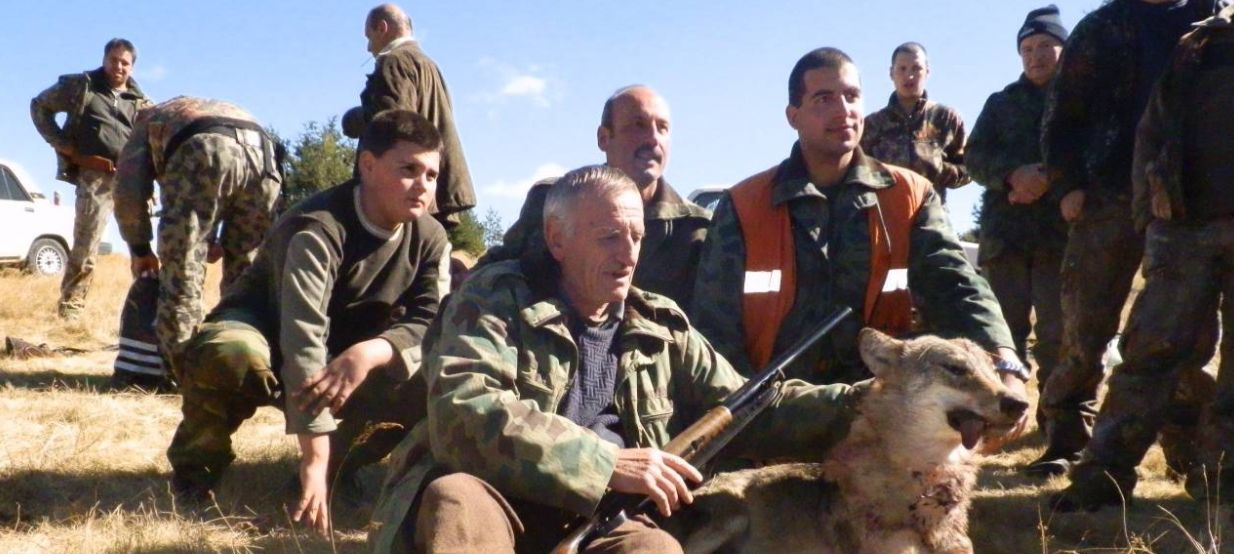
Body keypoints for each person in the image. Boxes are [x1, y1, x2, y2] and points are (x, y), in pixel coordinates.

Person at [370, 166, 857, 554]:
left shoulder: (661, 323)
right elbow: (463, 410)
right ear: (556, 237)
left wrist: (878, 399)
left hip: (601, 523)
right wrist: (606, 463)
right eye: (607, 236)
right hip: (496, 503)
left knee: (650, 551)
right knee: (453, 495)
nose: (629, 252)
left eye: (636, 235)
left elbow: (756, 406)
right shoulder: (494, 297)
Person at [690, 47, 1026, 422]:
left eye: (852, 97)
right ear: (793, 116)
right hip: (771, 410)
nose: (843, 110)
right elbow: (713, 328)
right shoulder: (745, 205)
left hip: (882, 406)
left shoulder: (909, 196)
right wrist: (740, 408)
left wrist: (1004, 360)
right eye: (823, 99)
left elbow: (956, 284)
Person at [167, 110, 448, 535]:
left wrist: (372, 352)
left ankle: (336, 469)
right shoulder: (318, 228)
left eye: (431, 174)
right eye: (408, 169)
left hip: (344, 353)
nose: (422, 185)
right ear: (367, 166)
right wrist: (311, 454)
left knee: (433, 374)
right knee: (230, 353)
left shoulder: (430, 238)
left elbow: (432, 320)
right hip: (269, 333)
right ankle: (196, 469)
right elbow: (302, 338)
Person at [1029, 0, 1228, 476]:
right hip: (1107, 196)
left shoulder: (1213, 23)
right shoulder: (1102, 27)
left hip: (1185, 208)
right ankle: (1066, 442)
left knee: (1188, 340)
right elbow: (1062, 115)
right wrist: (1068, 184)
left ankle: (1184, 450)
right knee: (1085, 330)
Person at [477, 85, 711, 309]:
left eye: (662, 128)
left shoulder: (697, 229)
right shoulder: (555, 202)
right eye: (638, 125)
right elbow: (499, 273)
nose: (652, 139)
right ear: (603, 138)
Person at [111, 96, 283, 389]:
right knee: (250, 280)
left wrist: (139, 248)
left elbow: (127, 187)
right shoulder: (205, 107)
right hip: (264, 155)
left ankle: (187, 377)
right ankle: (250, 369)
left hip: (204, 148)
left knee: (182, 279)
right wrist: (214, 236)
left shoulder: (147, 119)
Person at [966, 6, 1070, 425]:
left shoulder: (1081, 101)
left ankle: (1056, 419)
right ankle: (1000, 417)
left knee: (1057, 335)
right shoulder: (1000, 103)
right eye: (1027, 48)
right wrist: (1012, 175)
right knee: (1001, 334)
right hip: (1004, 239)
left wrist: (1048, 176)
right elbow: (972, 157)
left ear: (1065, 49)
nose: (1036, 55)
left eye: (1046, 45)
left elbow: (1098, 153)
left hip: (1059, 237)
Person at [30, 38, 149, 320]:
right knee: (86, 246)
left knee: (141, 245)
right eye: (114, 60)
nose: (118, 67)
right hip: (95, 176)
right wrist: (61, 144)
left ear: (132, 67)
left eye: (125, 63)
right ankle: (71, 309)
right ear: (104, 58)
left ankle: (144, 312)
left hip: (132, 180)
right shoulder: (81, 86)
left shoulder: (143, 102)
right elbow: (39, 106)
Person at [341, 3, 475, 227]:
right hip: (431, 187)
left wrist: (354, 119)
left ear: (382, 28)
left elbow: (394, 126)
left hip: (405, 193)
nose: (368, 47)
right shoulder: (429, 65)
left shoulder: (394, 61)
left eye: (369, 36)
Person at [860, 42, 969, 202]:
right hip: (886, 215)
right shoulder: (872, 124)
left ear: (927, 71)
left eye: (916, 68)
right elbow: (855, 171)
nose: (909, 76)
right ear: (891, 73)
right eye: (902, 69)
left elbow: (970, 167)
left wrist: (939, 170)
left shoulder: (946, 118)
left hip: (932, 214)